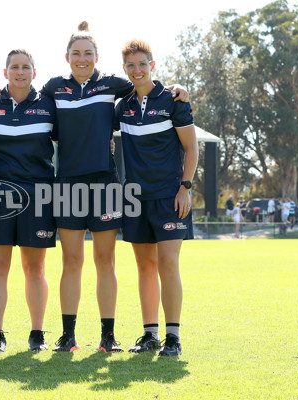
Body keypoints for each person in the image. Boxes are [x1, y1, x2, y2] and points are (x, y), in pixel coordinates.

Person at [39, 22, 188, 353]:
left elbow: (145, 86)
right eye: (76, 53)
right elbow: (24, 96)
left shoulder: (113, 84)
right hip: (66, 184)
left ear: (97, 56)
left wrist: (177, 89)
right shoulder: (53, 87)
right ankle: (68, 335)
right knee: (71, 261)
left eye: (87, 53)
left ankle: (108, 337)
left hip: (105, 184)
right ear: (67, 56)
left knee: (105, 261)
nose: (81, 59)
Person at [115, 39, 198, 356]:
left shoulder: (174, 99)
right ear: (125, 69)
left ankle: (173, 338)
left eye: (142, 64)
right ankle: (149, 335)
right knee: (145, 267)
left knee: (167, 263)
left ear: (152, 65)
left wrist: (185, 187)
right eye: (131, 65)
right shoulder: (123, 106)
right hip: (135, 198)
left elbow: (191, 148)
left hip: (170, 196)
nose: (137, 70)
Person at [0, 49, 56, 353]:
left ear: (34, 73)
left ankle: (37, 333)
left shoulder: (49, 106)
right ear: (5, 72)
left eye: (26, 67)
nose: (20, 72)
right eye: (15, 67)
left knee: (35, 269)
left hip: (40, 197)